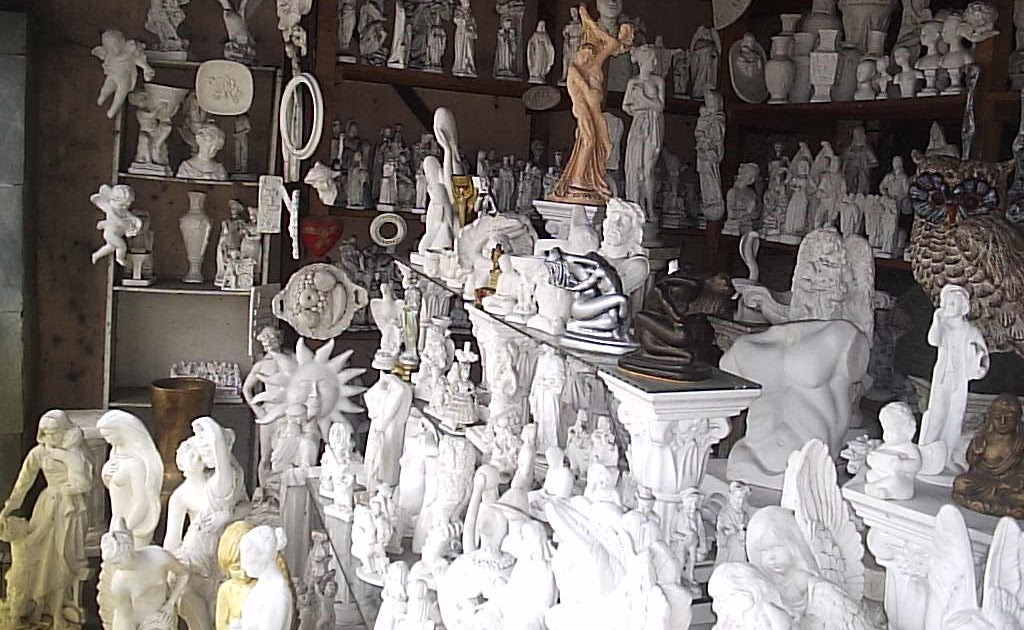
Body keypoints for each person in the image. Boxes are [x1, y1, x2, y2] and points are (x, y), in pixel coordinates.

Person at [1, 411, 92, 630]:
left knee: (64, 559)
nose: (51, 436)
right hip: (46, 508)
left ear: (65, 430)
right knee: (42, 559)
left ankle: (59, 611)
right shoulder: (39, 453)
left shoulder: (76, 451)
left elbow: (84, 483)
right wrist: (9, 507)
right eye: (47, 432)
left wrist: (65, 462)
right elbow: (23, 482)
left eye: (55, 432)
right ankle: (40, 607)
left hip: (71, 510)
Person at [920, 284, 990, 471]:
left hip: (960, 379)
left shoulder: (971, 331)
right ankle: (927, 451)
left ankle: (948, 455)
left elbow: (983, 355)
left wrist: (979, 367)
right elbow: (933, 340)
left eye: (951, 303)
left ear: (963, 307)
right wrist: (937, 320)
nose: (946, 307)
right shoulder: (944, 327)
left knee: (955, 416)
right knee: (937, 413)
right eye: (945, 303)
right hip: (943, 378)